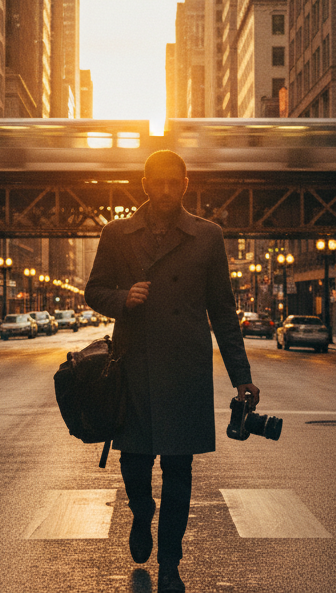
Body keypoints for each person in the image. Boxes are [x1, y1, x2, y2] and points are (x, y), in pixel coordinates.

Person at [85, 150, 260, 593]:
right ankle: (141, 512)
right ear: (144, 184)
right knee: (136, 462)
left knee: (180, 470)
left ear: (185, 183)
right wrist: (122, 298)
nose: (165, 191)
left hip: (186, 369)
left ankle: (170, 564)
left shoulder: (207, 236)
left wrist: (242, 375)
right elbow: (94, 290)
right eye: (157, 183)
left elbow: (223, 311)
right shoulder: (118, 233)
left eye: (173, 183)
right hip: (135, 366)